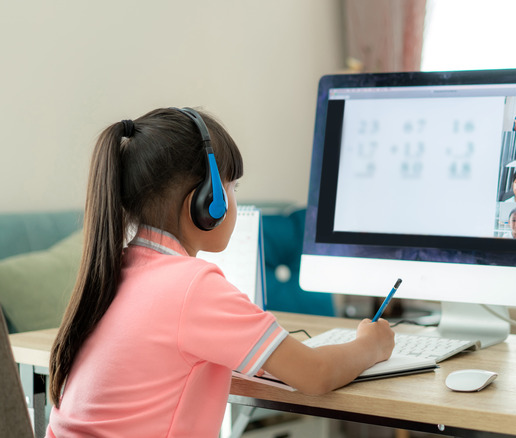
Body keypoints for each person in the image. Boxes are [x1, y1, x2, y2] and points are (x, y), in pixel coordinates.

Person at [46, 107, 395, 437]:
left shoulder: (117, 270)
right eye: (232, 188)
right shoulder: (192, 287)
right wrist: (370, 344)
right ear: (207, 202)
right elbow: (315, 375)